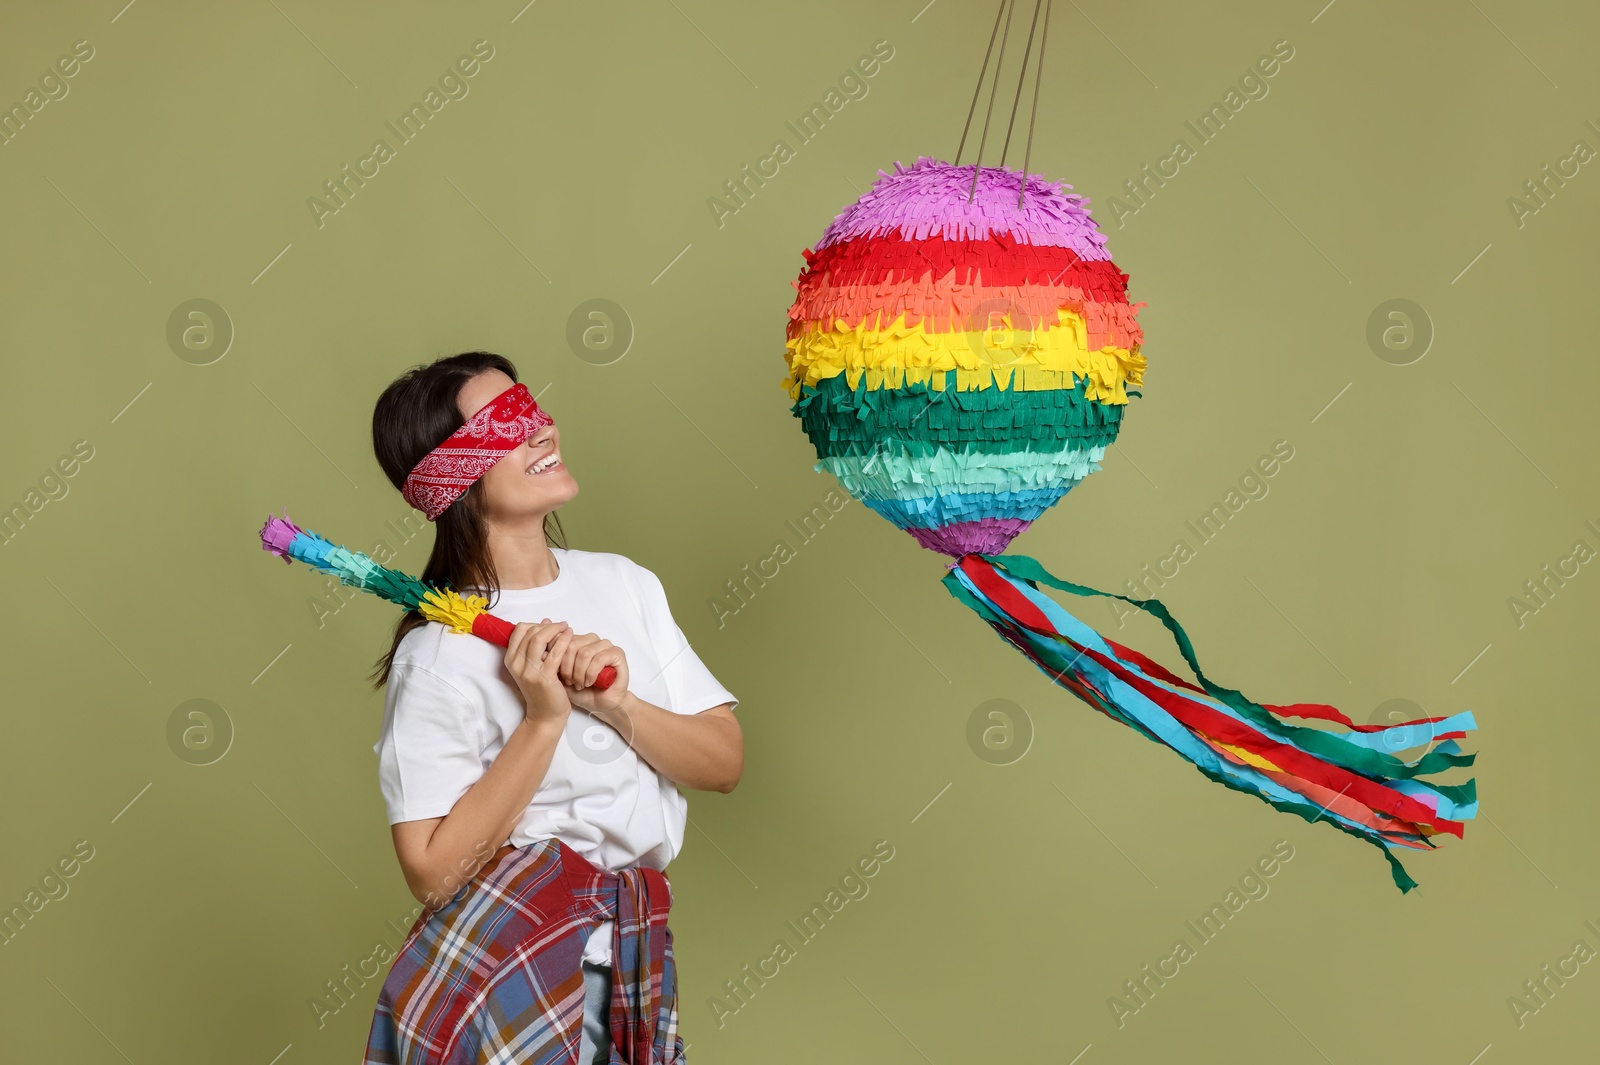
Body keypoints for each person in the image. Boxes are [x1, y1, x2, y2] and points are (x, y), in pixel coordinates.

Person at [361, 350, 743, 1064]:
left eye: (531, 408)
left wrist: (615, 702)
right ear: (452, 474)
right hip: (509, 963)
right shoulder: (438, 654)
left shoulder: (625, 585)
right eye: (504, 424)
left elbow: (723, 760)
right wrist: (543, 720)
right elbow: (433, 872)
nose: (539, 430)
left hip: (631, 957)